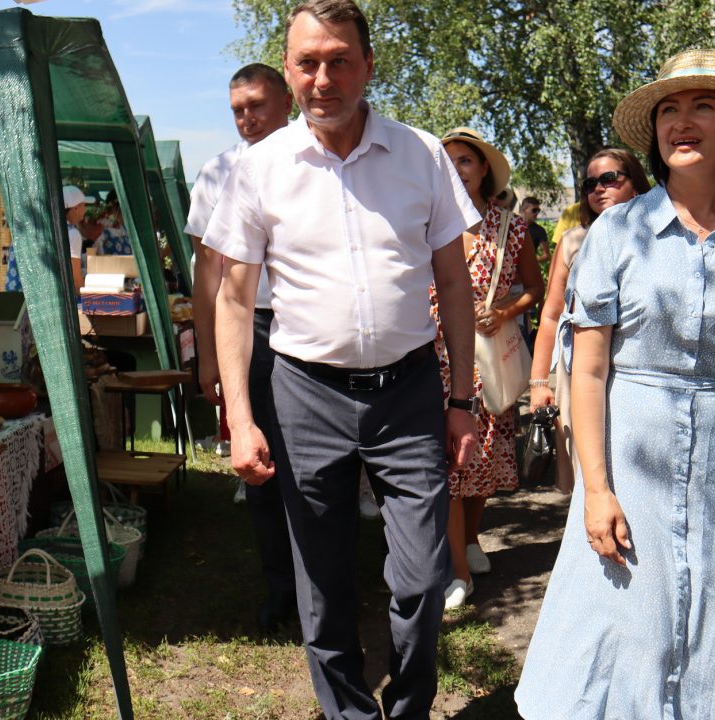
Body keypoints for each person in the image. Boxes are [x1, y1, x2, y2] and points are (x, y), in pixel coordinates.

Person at [516, 49, 715, 717]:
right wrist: (596, 487)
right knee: (623, 622)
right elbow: (591, 365)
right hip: (634, 454)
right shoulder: (615, 231)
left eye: (703, 105)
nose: (681, 121)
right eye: (669, 108)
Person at [202, 1, 481, 716]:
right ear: (289, 68)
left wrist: (461, 401)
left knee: (421, 581)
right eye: (307, 63)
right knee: (322, 583)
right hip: (305, 395)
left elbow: (453, 282)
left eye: (339, 60)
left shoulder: (420, 154)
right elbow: (234, 301)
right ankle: (349, 711)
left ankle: (410, 706)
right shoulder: (258, 169)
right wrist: (240, 417)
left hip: (409, 393)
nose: (322, 78)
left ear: (368, 65)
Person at [186, 61, 297, 632]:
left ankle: (322, 585)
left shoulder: (317, 161)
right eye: (237, 109)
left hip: (311, 330)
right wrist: (208, 355)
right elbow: (208, 273)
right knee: (262, 465)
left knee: (317, 466)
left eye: (257, 104)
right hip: (249, 330)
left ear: (287, 104)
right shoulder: (218, 173)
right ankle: (282, 589)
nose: (247, 118)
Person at [434, 127, 544, 608]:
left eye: (465, 161)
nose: (456, 169)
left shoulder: (510, 226)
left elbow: (535, 289)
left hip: (486, 359)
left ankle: (472, 540)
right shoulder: (424, 218)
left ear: (483, 170)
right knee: (447, 464)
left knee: (483, 458)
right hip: (434, 355)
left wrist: (503, 311)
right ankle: (457, 570)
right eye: (448, 160)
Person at [528, 148, 649, 493]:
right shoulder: (573, 242)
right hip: (579, 371)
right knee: (588, 476)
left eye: (610, 178)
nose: (598, 188)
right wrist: (539, 384)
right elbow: (551, 315)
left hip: (640, 372)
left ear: (636, 185)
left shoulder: (660, 239)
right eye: (589, 183)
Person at [4, 184, 89, 293]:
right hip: (45, 304)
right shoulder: (72, 234)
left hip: (15, 299)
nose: (85, 209)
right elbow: (75, 280)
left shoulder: (30, 229)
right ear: (75, 208)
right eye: (84, 205)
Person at [519, 196, 550, 266]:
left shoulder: (539, 230)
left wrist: (530, 260)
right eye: (534, 210)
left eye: (538, 210)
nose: (536, 213)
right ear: (524, 210)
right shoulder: (512, 226)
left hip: (528, 268)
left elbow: (546, 255)